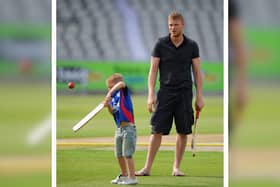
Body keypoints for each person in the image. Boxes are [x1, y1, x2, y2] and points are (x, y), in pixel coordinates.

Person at [135, 11, 204, 176]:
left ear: (182, 25)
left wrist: (199, 95)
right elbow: (152, 71)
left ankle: (176, 168)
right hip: (165, 92)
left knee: (182, 131)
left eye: (176, 25)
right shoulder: (160, 44)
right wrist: (150, 94)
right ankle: (147, 168)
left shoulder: (192, 45)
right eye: (170, 25)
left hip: (185, 94)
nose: (172, 28)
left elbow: (197, 72)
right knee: (156, 130)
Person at [103, 73, 138, 185]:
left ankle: (132, 178)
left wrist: (109, 93)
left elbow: (121, 84)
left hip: (129, 128)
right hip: (119, 129)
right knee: (119, 154)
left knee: (128, 154)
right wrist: (108, 105)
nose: (109, 89)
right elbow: (113, 112)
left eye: (110, 87)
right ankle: (124, 175)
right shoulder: (113, 99)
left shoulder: (123, 92)